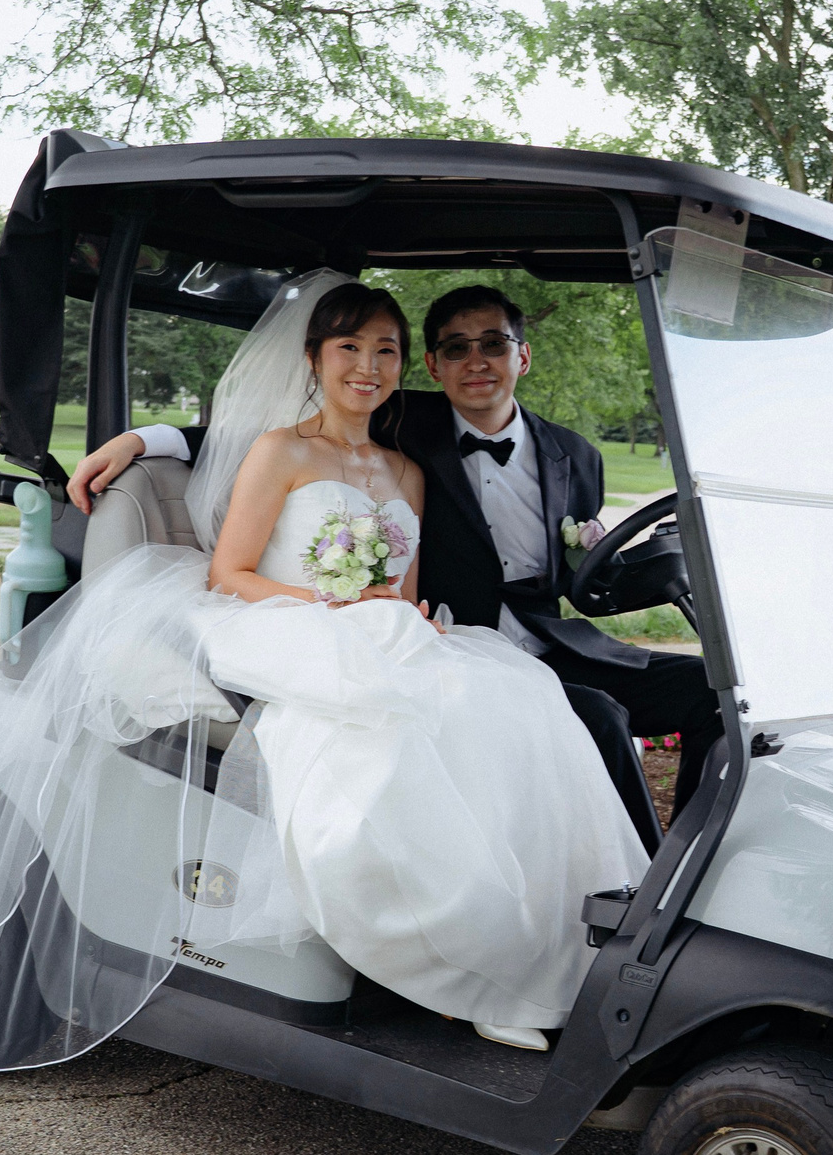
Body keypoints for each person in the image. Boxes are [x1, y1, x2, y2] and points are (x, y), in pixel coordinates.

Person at [0, 273, 648, 1070]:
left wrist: (388, 613)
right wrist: (147, 442)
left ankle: (556, 941)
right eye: (350, 349)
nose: (368, 367)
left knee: (523, 700)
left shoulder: (407, 468)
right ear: (313, 358)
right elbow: (228, 572)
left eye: (386, 352)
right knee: (394, 721)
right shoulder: (279, 451)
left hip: (371, 628)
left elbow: (401, 595)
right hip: (275, 620)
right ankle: (465, 963)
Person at [74, 285, 723, 852]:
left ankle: (698, 856)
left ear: (522, 356)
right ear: (435, 366)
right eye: (456, 348)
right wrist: (143, 439)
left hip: (547, 641)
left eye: (493, 345)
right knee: (598, 718)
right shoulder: (402, 421)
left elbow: (586, 580)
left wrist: (653, 570)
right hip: (447, 634)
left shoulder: (576, 456)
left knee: (712, 691)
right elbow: (255, 438)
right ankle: (648, 891)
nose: (477, 362)